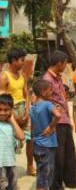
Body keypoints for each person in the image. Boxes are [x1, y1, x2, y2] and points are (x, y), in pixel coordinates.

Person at [43, 50, 76, 189]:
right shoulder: (47, 79)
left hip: (64, 119)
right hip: (57, 121)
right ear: (59, 63)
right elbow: (42, 99)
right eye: (65, 63)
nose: (67, 66)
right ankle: (56, 185)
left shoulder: (57, 77)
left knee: (69, 153)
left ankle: (70, 181)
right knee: (58, 156)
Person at [0, 48, 35, 176]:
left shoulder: (23, 76)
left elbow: (26, 94)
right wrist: (13, 116)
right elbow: (2, 100)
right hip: (10, 111)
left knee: (30, 138)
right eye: (21, 60)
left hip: (23, 109)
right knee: (11, 140)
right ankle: (7, 169)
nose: (23, 62)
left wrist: (27, 110)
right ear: (13, 61)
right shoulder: (4, 77)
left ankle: (30, 166)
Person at [30, 80, 61, 190]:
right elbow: (58, 115)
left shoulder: (33, 107)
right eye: (50, 90)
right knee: (46, 176)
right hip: (47, 145)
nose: (52, 92)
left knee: (41, 174)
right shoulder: (47, 104)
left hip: (37, 145)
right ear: (43, 92)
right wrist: (51, 127)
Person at [0, 94, 25, 190]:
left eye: (6, 110)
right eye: (0, 109)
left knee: (12, 186)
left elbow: (21, 137)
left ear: (11, 110)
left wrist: (12, 120)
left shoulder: (11, 125)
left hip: (10, 163)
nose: (2, 113)